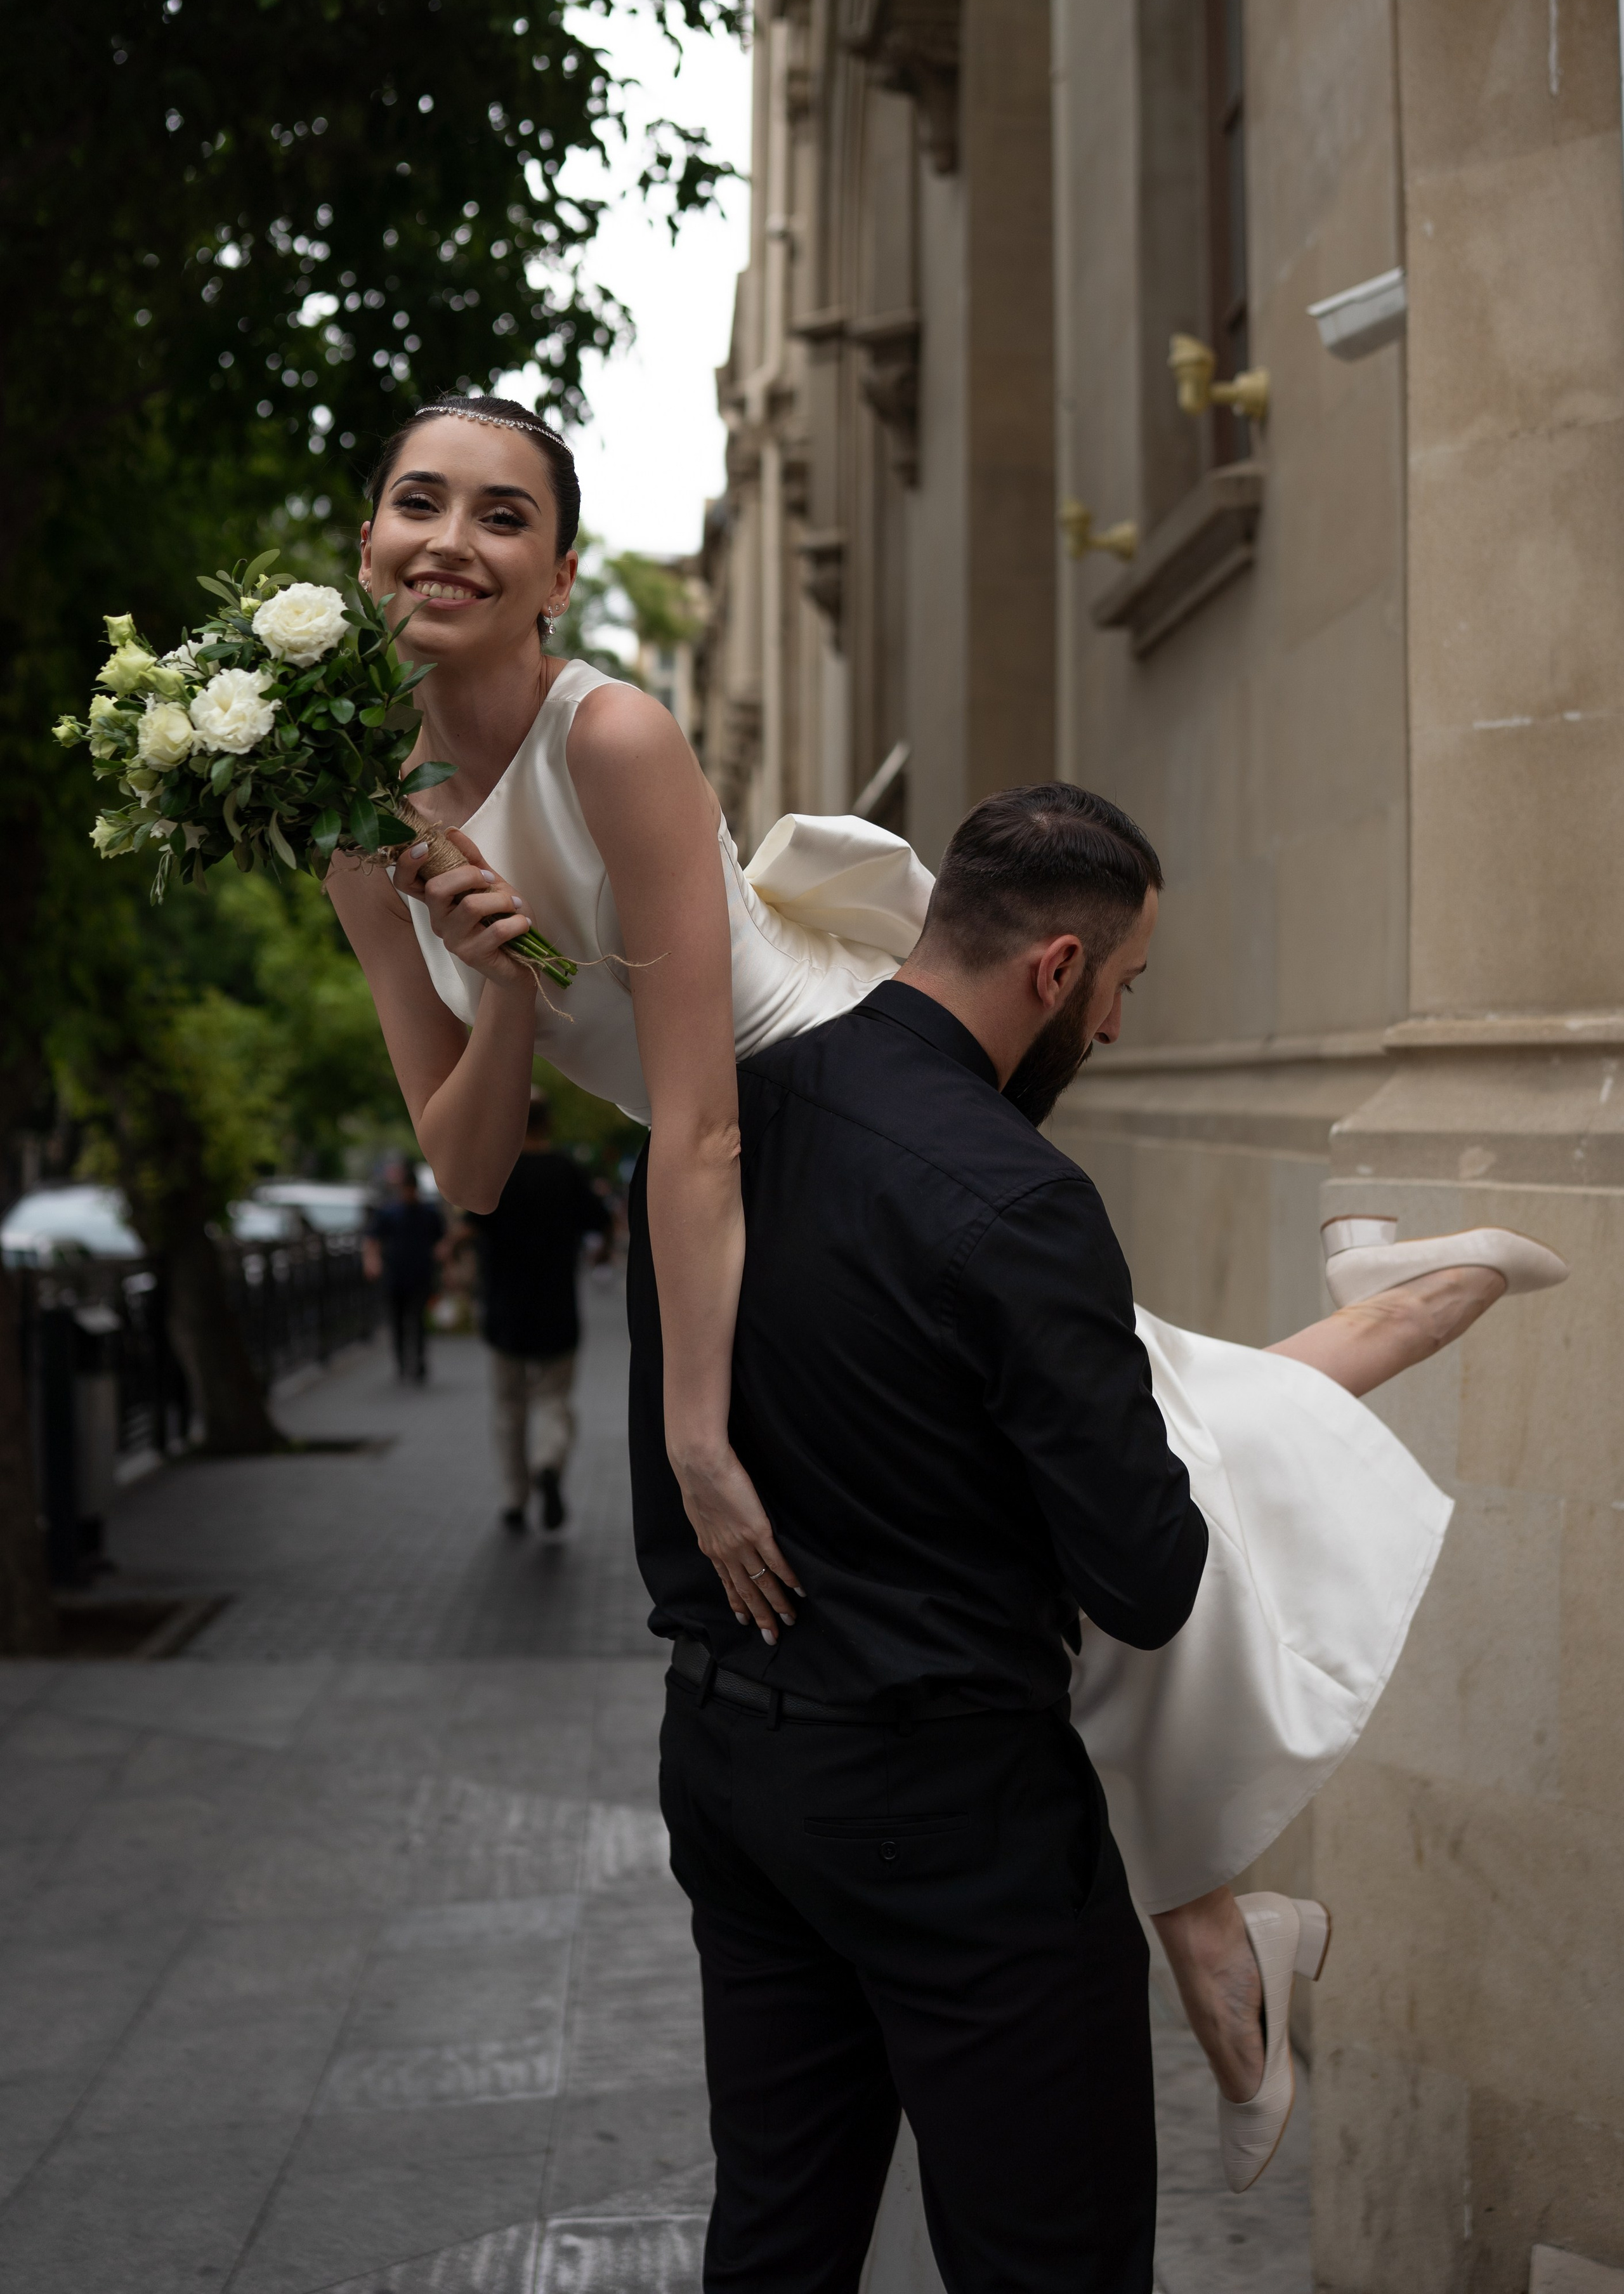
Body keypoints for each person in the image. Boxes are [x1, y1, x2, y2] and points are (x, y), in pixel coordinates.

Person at [324, 395, 1568, 2206]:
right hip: (728, 1154)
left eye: (501, 516)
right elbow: (474, 1160)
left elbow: (697, 1118)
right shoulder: (366, 833)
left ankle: (1220, 1905)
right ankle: (1231, 1882)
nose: (451, 538)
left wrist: (694, 1436)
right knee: (1077, 1470)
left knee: (1060, 1486)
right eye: (416, 502)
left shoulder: (616, 731)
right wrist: (504, 973)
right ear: (367, 539)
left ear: (559, 573)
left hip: (813, 1088)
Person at [632, 832, 1210, 2291]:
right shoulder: (1015, 1195)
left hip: (726, 1756)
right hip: (944, 1804)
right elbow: (1144, 1576)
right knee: (1047, 2254)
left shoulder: (718, 1118)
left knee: (778, 2229)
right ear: (1056, 968)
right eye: (1123, 986)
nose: (1118, 1025)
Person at [462, 1089, 609, 1536]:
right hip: (557, 1308)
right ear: (548, 1124)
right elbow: (599, 1223)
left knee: (509, 1407)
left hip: (505, 1309)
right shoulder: (568, 1171)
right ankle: (548, 1462)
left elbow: (469, 1226)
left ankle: (514, 1497)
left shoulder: (496, 1173)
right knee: (554, 1399)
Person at [364, 1165, 445, 1383]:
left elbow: (441, 1241)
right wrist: (372, 1261)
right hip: (396, 1275)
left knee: (418, 1321)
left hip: (420, 1274)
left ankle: (418, 1363)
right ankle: (401, 1364)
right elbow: (373, 1239)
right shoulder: (389, 1213)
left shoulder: (428, 1214)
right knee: (398, 1322)